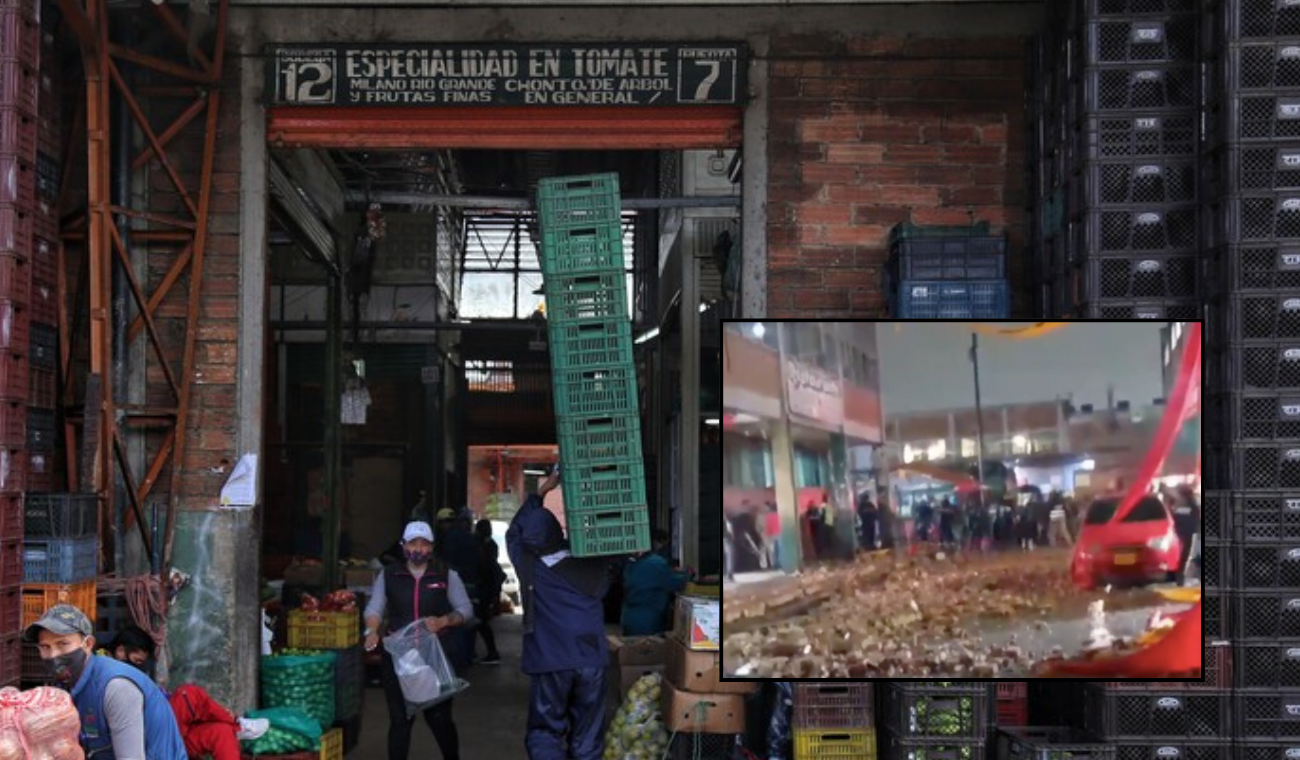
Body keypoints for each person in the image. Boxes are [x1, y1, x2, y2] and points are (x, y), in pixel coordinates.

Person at [507, 468, 613, 760]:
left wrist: (542, 492)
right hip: (591, 659)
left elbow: (514, 531)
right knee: (588, 736)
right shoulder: (592, 562)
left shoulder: (528, 563)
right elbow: (611, 540)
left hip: (550, 658)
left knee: (545, 732)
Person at [364, 521, 474, 760]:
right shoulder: (389, 574)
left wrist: (444, 621)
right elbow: (374, 608)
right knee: (400, 720)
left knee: (440, 719)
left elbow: (466, 609)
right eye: (413, 543)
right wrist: (372, 631)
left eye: (424, 544)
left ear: (432, 548)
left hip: (435, 656)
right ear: (403, 546)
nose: (419, 549)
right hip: (398, 658)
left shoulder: (446, 574)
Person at [26, 604, 188, 760]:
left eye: (63, 644)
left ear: (88, 644)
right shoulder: (66, 685)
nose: (54, 655)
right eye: (45, 647)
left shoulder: (116, 688)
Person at [109, 626, 269, 760]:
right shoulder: (108, 675)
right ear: (121, 651)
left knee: (222, 732)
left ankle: (234, 726)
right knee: (187, 694)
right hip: (151, 737)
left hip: (168, 734)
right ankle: (237, 724)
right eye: (137, 661)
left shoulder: (130, 673)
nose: (140, 666)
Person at [621, 530, 688, 636]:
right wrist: (688, 575)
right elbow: (675, 583)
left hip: (629, 616)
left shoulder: (631, 564)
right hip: (648, 620)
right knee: (649, 650)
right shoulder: (656, 563)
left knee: (632, 649)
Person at [473, 519, 505, 665]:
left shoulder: (486, 546)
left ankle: (492, 652)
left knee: (481, 621)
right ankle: (489, 651)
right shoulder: (490, 545)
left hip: (484, 588)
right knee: (480, 621)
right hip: (488, 588)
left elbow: (486, 567)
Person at [1171, 486, 1200, 583]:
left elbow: (1196, 518)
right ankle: (1180, 576)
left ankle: (1180, 576)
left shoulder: (1186, 504)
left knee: (1185, 555)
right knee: (1185, 555)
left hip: (1183, 532)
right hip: (1185, 532)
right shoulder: (1191, 504)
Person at [763, 501, 782, 569]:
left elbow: (767, 526)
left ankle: (775, 564)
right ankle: (779, 563)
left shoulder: (767, 516)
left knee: (773, 551)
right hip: (779, 534)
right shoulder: (779, 515)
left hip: (771, 535)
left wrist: (767, 535)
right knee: (779, 550)